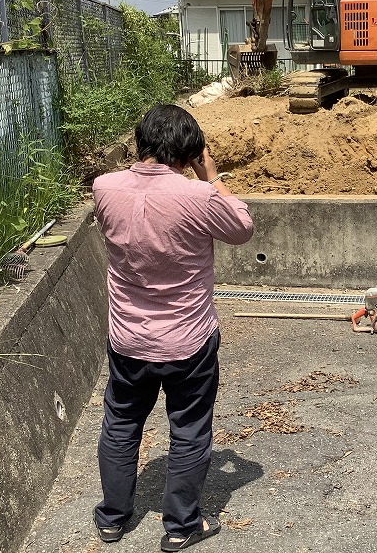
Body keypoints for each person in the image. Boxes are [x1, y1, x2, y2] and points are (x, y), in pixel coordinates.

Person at [91, 104, 254, 550]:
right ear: (192, 151)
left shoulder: (104, 187)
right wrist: (212, 176)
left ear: (141, 141)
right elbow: (242, 228)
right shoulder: (198, 196)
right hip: (188, 340)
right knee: (189, 429)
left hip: (128, 337)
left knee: (121, 423)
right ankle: (181, 527)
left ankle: (112, 519)